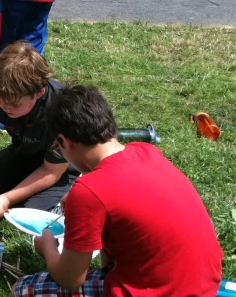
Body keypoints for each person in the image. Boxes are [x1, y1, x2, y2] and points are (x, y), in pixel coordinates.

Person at [13, 85, 223, 297]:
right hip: (204, 286)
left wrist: (47, 249)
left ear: (64, 142)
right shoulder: (146, 152)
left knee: (23, 289)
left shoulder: (88, 192)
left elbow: (70, 279)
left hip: (160, 291)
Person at [0, 42, 76, 223]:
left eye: (14, 104)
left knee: (26, 214)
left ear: (39, 93)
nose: (5, 108)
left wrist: (7, 198)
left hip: (62, 169)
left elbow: (51, 171)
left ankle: (70, 194)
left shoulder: (60, 109)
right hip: (23, 154)